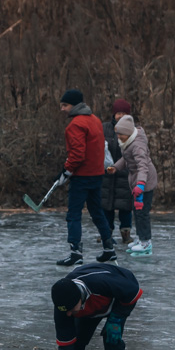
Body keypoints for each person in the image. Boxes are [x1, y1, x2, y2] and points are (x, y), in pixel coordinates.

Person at [55, 89, 116, 266]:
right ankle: (109, 248)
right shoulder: (95, 120)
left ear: (74, 105)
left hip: (82, 177)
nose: (62, 109)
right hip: (96, 175)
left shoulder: (75, 125)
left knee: (73, 214)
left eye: (65, 105)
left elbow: (77, 154)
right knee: (97, 211)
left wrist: (66, 172)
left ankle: (75, 252)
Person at [107, 115, 158, 256]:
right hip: (137, 182)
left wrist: (141, 184)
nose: (118, 136)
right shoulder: (128, 142)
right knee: (136, 212)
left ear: (128, 133)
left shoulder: (137, 146)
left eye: (120, 134)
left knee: (142, 213)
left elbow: (143, 167)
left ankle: (146, 241)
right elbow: (126, 158)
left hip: (145, 182)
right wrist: (116, 167)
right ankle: (140, 238)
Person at [101, 99, 135, 246]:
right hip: (106, 173)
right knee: (106, 206)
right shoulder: (104, 128)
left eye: (124, 113)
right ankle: (106, 233)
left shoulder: (134, 130)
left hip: (125, 173)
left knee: (125, 206)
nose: (120, 116)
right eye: (118, 113)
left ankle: (126, 233)